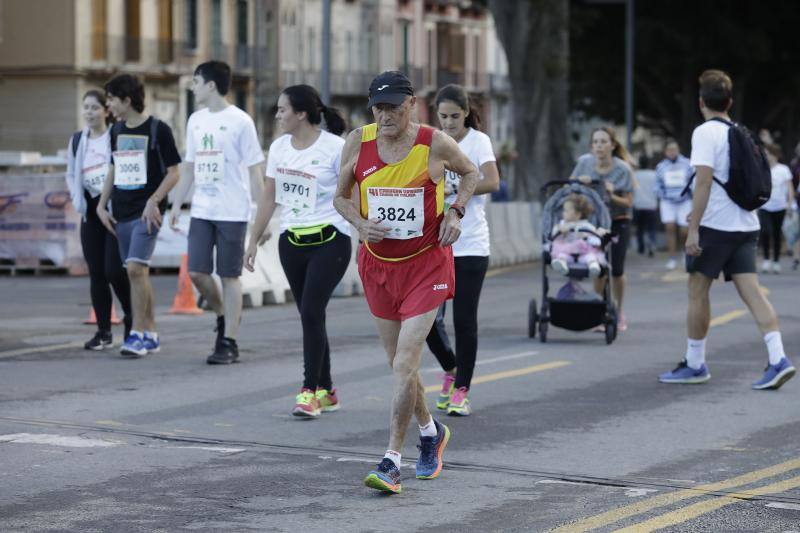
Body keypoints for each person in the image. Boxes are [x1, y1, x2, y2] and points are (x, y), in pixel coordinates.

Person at [333, 71, 480, 494]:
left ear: (411, 104)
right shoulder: (357, 142)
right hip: (378, 265)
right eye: (378, 107)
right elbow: (340, 196)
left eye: (393, 106)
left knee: (405, 361)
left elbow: (469, 174)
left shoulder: (433, 142)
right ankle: (432, 431)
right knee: (399, 363)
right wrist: (361, 222)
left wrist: (456, 212)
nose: (385, 115)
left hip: (426, 264)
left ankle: (392, 461)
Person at [659, 69, 795, 390]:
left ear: (701, 102)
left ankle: (695, 363)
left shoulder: (705, 133)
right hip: (746, 225)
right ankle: (778, 359)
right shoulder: (740, 130)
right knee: (753, 293)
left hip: (715, 227)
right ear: (729, 101)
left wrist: (693, 229)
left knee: (697, 291)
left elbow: (704, 183)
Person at [244, 85, 351, 416]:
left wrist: (364, 227)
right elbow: (269, 196)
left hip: (331, 238)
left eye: (282, 110)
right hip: (292, 241)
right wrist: (253, 239)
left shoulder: (336, 147)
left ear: (301, 113)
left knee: (311, 310)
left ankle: (309, 392)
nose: (277, 116)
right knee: (310, 314)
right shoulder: (278, 149)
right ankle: (327, 389)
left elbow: (353, 192)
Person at [169, 61, 265, 364]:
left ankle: (229, 341)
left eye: (196, 81)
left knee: (229, 276)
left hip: (232, 211)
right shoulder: (195, 120)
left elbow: (255, 172)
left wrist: (261, 217)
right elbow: (189, 168)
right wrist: (176, 204)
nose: (192, 87)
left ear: (211, 86)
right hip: (202, 209)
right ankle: (224, 316)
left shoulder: (241, 121)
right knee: (197, 272)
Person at [424, 84, 499, 417]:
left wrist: (458, 191)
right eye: (443, 117)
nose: (449, 123)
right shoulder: (432, 141)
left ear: (467, 112)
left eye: (455, 116)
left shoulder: (478, 142)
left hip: (470, 243)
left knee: (464, 320)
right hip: (435, 244)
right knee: (425, 320)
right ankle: (451, 368)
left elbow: (492, 181)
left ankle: (462, 389)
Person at [96, 74, 182, 358]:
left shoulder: (159, 129)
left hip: (148, 212)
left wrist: (154, 200)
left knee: (135, 269)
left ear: (127, 100)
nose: (108, 106)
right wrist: (101, 205)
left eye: (111, 99)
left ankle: (137, 333)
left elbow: (174, 173)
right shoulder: (116, 131)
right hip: (120, 211)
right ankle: (151, 333)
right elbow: (113, 168)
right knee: (138, 273)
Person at [66, 90, 132, 350]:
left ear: (106, 110)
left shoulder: (115, 135)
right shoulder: (77, 141)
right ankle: (103, 331)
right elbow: (71, 173)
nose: (89, 112)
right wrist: (77, 200)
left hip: (114, 210)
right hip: (90, 210)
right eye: (86, 107)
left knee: (114, 270)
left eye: (94, 107)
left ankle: (131, 318)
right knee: (96, 273)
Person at [571, 127, 635, 331]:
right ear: (592, 146)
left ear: (612, 145)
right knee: (598, 268)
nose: (599, 146)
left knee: (616, 269)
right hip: (594, 223)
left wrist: (611, 193)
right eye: (596, 142)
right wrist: (581, 185)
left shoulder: (622, 169)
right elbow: (571, 190)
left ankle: (619, 310)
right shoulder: (584, 163)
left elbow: (628, 202)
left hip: (618, 220)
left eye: (603, 142)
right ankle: (598, 310)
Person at [655, 140, 694, 270]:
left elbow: (693, 181)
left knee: (684, 230)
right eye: (669, 149)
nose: (672, 152)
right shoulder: (661, 166)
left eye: (674, 149)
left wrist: (691, 194)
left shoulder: (687, 163)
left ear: (678, 150)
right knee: (670, 228)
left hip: (684, 201)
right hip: (667, 202)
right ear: (666, 152)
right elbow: (657, 185)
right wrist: (663, 195)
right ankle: (671, 258)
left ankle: (684, 253)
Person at [550, 193, 608, 278]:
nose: (563, 213)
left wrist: (594, 234)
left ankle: (594, 267)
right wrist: (561, 232)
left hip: (584, 252)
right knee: (561, 256)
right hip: (568, 251)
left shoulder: (586, 225)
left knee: (591, 257)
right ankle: (562, 266)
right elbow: (554, 236)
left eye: (566, 211)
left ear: (578, 214)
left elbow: (595, 237)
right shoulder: (562, 225)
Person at [758, 144, 794, 274]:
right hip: (765, 206)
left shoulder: (783, 169)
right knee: (766, 231)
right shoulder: (762, 168)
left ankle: (776, 261)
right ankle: (767, 259)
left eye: (768, 153)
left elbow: (789, 187)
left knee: (776, 232)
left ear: (775, 155)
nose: (767, 156)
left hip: (780, 206)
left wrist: (789, 203)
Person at [633, 154, 658, 258]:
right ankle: (651, 243)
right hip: (651, 205)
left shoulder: (635, 174)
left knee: (640, 228)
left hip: (638, 204)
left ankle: (641, 247)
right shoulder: (654, 174)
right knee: (651, 228)